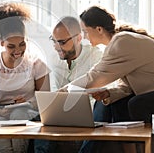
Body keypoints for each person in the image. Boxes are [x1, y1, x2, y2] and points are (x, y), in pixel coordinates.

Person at [60, 5, 154, 152]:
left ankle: (143, 148)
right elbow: (128, 86)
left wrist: (63, 91)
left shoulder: (122, 42)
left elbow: (95, 76)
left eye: (85, 31)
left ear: (99, 29)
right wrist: (109, 94)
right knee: (115, 103)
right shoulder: (121, 41)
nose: (84, 37)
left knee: (136, 103)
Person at [0, 2, 50, 153]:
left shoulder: (37, 64)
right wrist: (0, 112)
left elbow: (46, 101)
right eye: (11, 46)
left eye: (22, 44)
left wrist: (27, 102)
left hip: (27, 113)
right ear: (2, 43)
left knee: (19, 113)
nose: (18, 51)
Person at [34, 16, 106, 153]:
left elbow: (101, 91)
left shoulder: (95, 56)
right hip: (62, 112)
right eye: (53, 41)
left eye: (61, 42)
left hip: (89, 112)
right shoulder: (54, 59)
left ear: (78, 38)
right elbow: (55, 92)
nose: (56, 47)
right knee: (41, 118)